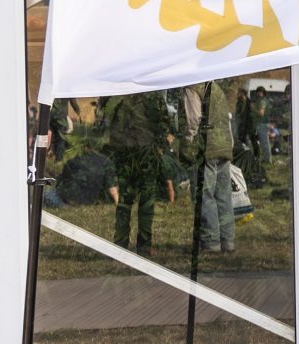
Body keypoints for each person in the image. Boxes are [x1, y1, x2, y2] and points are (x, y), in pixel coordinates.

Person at [103, 91, 176, 257]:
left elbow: (105, 121)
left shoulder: (117, 93)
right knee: (147, 200)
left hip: (124, 153)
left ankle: (120, 245)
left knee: (124, 202)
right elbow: (164, 124)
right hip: (146, 153)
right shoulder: (153, 95)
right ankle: (143, 246)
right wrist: (161, 147)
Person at [183, 77, 244, 253]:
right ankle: (228, 241)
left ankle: (211, 242)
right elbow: (227, 117)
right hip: (224, 144)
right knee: (223, 195)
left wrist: (187, 142)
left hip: (206, 146)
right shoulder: (215, 87)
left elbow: (193, 120)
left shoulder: (192, 87)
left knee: (204, 195)